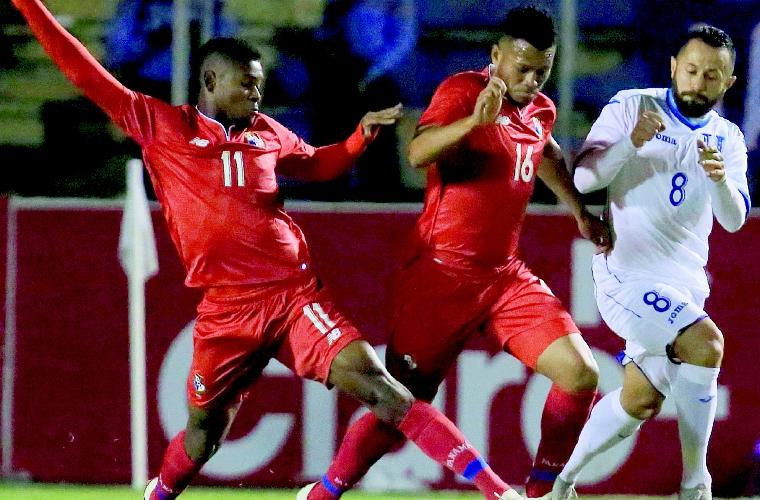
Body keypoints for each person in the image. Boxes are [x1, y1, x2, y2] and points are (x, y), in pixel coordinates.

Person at [9, 1, 525, 500]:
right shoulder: (162, 126)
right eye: (247, 84)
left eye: (259, 84)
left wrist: (356, 140)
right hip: (226, 313)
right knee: (203, 436)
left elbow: (316, 165)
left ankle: (497, 491)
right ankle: (160, 492)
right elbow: (81, 70)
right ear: (211, 81)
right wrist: (29, 5)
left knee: (383, 391)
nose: (258, 95)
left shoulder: (267, 133)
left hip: (293, 297)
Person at [301, 7, 609, 500]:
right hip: (440, 278)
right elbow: (417, 153)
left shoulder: (540, 109)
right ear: (496, 55)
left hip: (504, 277)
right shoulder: (463, 91)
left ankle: (543, 493)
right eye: (522, 68)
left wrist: (578, 211)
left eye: (542, 71)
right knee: (400, 404)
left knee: (580, 374)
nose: (531, 81)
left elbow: (545, 150)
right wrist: (472, 123)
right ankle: (323, 493)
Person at [548, 24, 749, 500]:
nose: (698, 83)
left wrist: (720, 181)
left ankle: (559, 482)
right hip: (626, 277)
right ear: (674, 67)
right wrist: (630, 143)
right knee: (707, 345)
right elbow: (584, 178)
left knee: (639, 400)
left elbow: (734, 220)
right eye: (691, 70)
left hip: (684, 286)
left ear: (728, 82)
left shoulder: (728, 138)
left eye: (712, 76)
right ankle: (696, 484)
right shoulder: (631, 106)